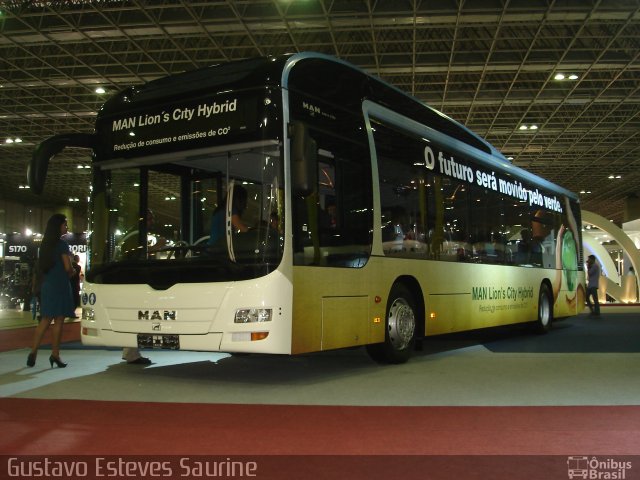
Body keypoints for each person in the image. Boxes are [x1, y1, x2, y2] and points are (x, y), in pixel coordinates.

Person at [26, 214, 76, 368]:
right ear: (58, 226)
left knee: (45, 320)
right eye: (65, 224)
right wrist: (73, 271)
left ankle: (33, 351)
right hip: (60, 285)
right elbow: (68, 267)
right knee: (59, 321)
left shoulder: (45, 245)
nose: (67, 227)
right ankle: (55, 354)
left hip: (48, 285)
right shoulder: (62, 245)